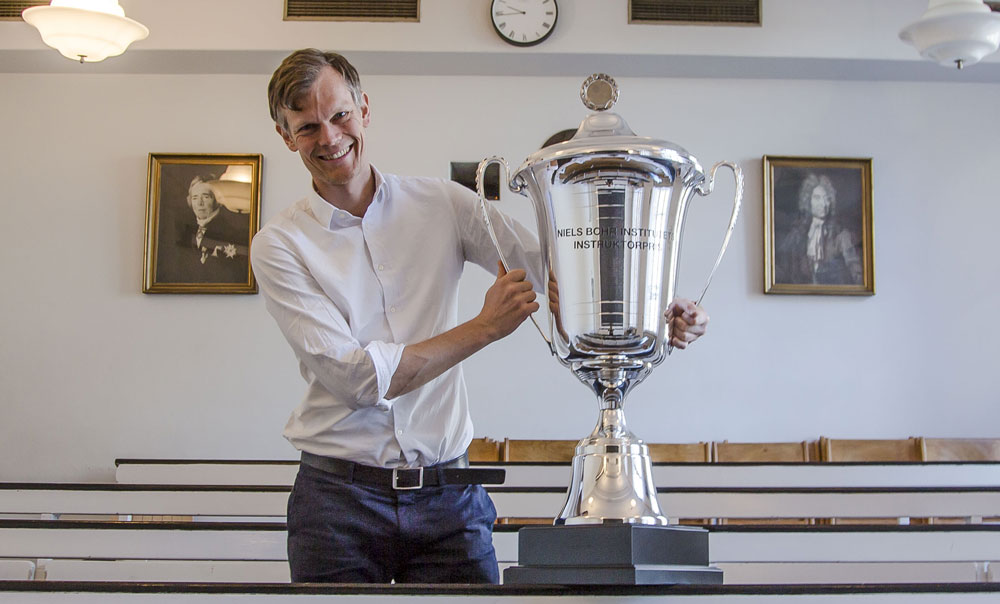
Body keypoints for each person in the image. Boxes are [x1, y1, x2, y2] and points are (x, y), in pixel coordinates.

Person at [250, 48, 710, 584]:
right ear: (286, 136)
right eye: (307, 127)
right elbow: (357, 379)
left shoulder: (442, 203)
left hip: (449, 498)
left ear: (364, 108)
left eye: (340, 115)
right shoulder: (279, 244)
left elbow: (550, 273)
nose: (329, 137)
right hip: (337, 505)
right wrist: (485, 328)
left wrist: (655, 311)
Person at [157, 175, 250, 284]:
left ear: (218, 201)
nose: (199, 203)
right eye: (195, 198)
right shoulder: (183, 230)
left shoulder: (232, 232)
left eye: (205, 197)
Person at [776, 173, 862, 285]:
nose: (823, 204)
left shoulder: (841, 235)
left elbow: (856, 272)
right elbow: (783, 270)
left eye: (826, 199)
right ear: (808, 201)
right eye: (817, 198)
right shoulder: (798, 234)